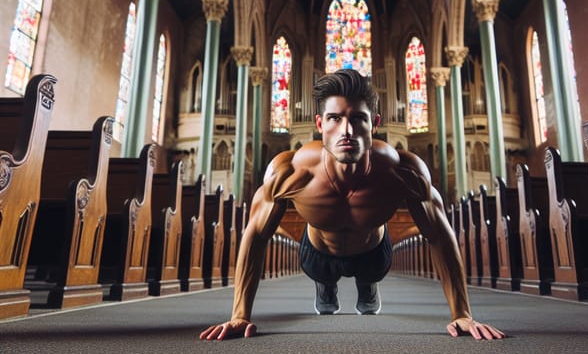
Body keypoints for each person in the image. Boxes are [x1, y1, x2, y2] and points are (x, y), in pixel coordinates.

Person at [200, 69, 505, 341]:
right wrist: (240, 314)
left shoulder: (402, 171)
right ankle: (325, 285)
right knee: (322, 276)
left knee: (371, 273)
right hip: (317, 254)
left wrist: (461, 314)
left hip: (374, 253)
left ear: (374, 124)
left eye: (357, 118)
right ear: (320, 124)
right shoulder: (291, 171)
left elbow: (439, 235)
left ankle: (368, 285)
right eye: (335, 118)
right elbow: (255, 235)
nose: (346, 131)